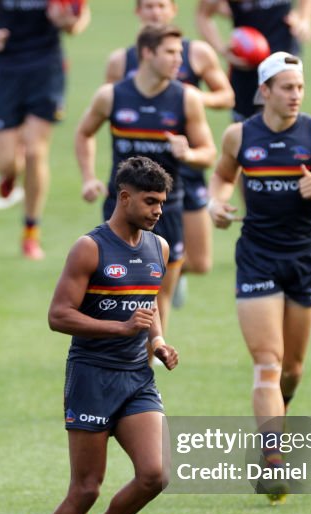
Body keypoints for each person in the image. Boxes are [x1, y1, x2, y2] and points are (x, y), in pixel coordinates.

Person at [19, 156, 178, 514]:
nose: (157, 211)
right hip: (91, 377)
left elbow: (147, 306)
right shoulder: (89, 248)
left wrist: (159, 340)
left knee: (157, 474)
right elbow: (58, 316)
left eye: (162, 203)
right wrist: (121, 329)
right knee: (85, 487)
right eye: (150, 201)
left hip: (137, 379)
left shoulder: (160, 248)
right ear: (124, 197)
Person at [207, 51, 311, 502]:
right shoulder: (240, 136)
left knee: (292, 370)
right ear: (265, 91)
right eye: (287, 87)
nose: (296, 95)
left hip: (305, 258)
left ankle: (278, 412)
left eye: (300, 88)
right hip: (256, 256)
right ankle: (274, 460)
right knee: (268, 363)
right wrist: (217, 203)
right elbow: (220, 176)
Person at [78, 25, 215, 338]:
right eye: (170, 53)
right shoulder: (112, 96)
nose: (179, 60)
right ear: (147, 53)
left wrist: (189, 153)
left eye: (180, 53)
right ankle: (127, 352)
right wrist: (88, 177)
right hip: (120, 207)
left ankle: (152, 352)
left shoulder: (187, 98)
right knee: (119, 285)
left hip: (167, 209)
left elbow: (209, 152)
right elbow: (84, 133)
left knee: (158, 292)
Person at [106, 0, 233, 301]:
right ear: (138, 12)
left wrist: (190, 100)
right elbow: (111, 109)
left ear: (173, 10)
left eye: (161, 5)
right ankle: (159, 278)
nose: (155, 12)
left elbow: (227, 95)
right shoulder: (123, 61)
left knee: (201, 262)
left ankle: (172, 273)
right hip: (140, 170)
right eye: (148, 6)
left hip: (185, 165)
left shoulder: (196, 53)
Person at [0, 0, 90, 260]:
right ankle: (10, 172)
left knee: (35, 151)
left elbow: (80, 16)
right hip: (7, 71)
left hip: (46, 69)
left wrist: (69, 23)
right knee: (4, 162)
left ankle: (31, 233)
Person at [195, 0, 311, 122]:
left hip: (284, 61)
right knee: (246, 126)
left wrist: (304, 17)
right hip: (247, 63)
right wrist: (222, 50)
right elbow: (203, 14)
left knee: (283, 119)